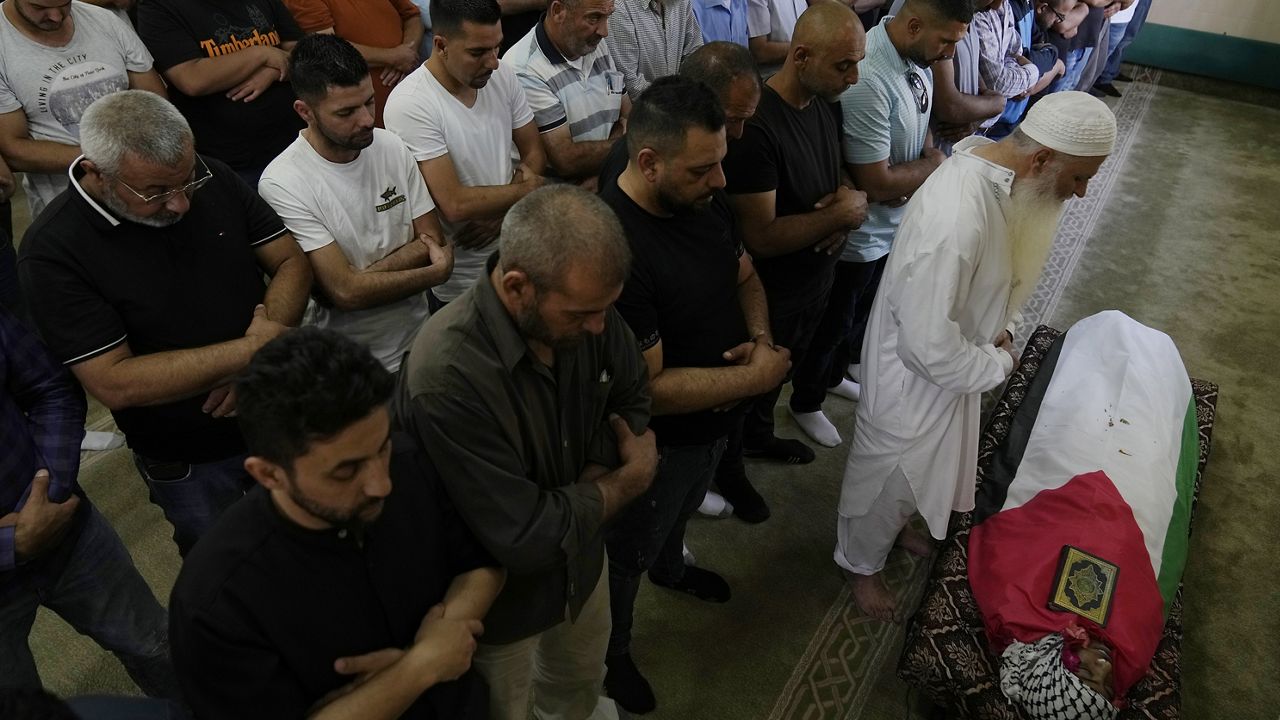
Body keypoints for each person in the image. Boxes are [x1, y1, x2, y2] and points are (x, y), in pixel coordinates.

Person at [834, 91, 1116, 622]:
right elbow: (926, 348)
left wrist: (1000, 330)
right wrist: (1000, 363)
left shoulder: (1000, 170)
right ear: (1041, 159)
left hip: (960, 363)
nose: (1080, 195)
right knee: (889, 477)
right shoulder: (957, 218)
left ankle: (892, 535)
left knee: (923, 472)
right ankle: (858, 563)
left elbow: (1000, 272)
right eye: (1078, 179)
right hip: (916, 377)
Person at [394, 185, 656, 720]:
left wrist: (588, 486)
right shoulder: (447, 376)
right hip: (499, 609)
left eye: (607, 309)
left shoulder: (588, 308)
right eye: (583, 314)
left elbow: (631, 395)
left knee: (579, 685)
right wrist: (623, 484)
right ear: (517, 287)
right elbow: (523, 536)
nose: (600, 328)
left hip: (582, 567)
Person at [18, 90, 311, 556]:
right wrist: (252, 353)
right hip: (190, 456)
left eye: (185, 181)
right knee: (227, 569)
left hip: (276, 411)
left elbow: (290, 261)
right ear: (96, 171)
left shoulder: (208, 174)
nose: (180, 204)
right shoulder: (53, 252)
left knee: (310, 541)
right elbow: (115, 381)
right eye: (154, 193)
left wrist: (256, 357)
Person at [169, 327, 503, 719]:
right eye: (345, 472)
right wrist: (421, 667)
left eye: (382, 447)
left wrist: (447, 635)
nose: (382, 483)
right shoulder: (216, 601)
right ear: (268, 474)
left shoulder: (409, 463)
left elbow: (482, 563)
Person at [597, 76, 790, 714]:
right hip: (658, 444)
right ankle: (612, 650)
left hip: (714, 421)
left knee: (676, 519)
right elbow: (647, 392)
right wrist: (757, 379)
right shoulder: (615, 252)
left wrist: (759, 339)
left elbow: (746, 273)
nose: (720, 183)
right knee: (626, 556)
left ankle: (673, 569)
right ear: (647, 162)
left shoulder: (701, 200)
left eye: (721, 163)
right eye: (703, 169)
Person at [968, 310, 1200, 720]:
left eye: (1085, 673)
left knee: (1080, 413)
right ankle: (1154, 370)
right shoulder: (1135, 650)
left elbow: (1007, 548)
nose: (1104, 664)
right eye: (1104, 684)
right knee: (1146, 440)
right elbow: (1147, 594)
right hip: (1135, 501)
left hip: (1061, 486)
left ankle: (1099, 349)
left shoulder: (1006, 607)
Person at [789, 0, 964, 449]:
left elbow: (923, 120)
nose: (948, 53)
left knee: (864, 313)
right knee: (834, 320)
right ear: (915, 24)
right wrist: (931, 167)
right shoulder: (869, 74)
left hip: (892, 224)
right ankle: (805, 400)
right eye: (945, 41)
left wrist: (924, 162)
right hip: (859, 236)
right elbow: (876, 180)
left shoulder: (917, 55)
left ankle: (832, 375)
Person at [0, 305, 179, 701]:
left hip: (66, 531)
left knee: (157, 647)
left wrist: (50, 489)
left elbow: (48, 388)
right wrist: (12, 542)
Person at [720, 0, 867, 467]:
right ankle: (729, 467)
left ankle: (759, 437)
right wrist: (840, 215)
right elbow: (760, 236)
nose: (854, 78)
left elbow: (835, 181)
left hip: (813, 284)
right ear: (801, 57)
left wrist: (845, 203)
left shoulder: (824, 105)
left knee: (778, 380)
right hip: (773, 293)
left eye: (857, 64)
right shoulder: (757, 128)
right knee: (748, 387)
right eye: (843, 65)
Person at [260, 35, 453, 372]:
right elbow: (346, 293)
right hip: (349, 366)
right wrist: (433, 273)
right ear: (305, 111)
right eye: (346, 112)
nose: (366, 120)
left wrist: (360, 279)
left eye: (369, 102)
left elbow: (431, 240)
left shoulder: (390, 145)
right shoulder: (283, 181)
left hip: (421, 343)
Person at [384, 0, 546, 308]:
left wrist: (500, 214)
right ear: (441, 45)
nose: (493, 62)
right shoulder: (411, 104)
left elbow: (534, 150)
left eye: (497, 47)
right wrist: (529, 190)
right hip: (462, 281)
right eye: (477, 53)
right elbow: (455, 203)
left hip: (519, 249)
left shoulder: (502, 74)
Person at [0, 0, 166, 217]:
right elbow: (14, 151)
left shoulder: (104, 20)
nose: (57, 16)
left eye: (64, 4)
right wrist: (115, 160)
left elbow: (156, 102)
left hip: (144, 191)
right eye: (40, 8)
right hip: (69, 206)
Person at [137, 0, 305, 186]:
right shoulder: (158, 7)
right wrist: (261, 54)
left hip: (298, 142)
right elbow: (192, 78)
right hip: (234, 162)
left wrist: (274, 72)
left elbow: (301, 51)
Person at [504, 0, 631, 183]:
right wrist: (627, 142)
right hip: (563, 201)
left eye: (608, 16)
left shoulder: (593, 44)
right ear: (558, 11)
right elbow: (567, 160)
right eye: (594, 18)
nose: (605, 31)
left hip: (605, 180)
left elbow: (627, 113)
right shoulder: (525, 69)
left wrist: (602, 170)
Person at [280, 0, 424, 126]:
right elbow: (327, 48)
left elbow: (412, 16)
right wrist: (393, 57)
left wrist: (407, 52)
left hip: (415, 96)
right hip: (368, 117)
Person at [890, 0, 1006, 153]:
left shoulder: (968, 13)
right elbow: (949, 106)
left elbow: (977, 80)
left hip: (951, 154)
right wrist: (998, 104)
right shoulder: (932, 10)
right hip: (927, 156)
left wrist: (976, 118)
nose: (997, 6)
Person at [971, 0, 1061, 135]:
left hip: (996, 119)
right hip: (976, 121)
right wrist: (1032, 72)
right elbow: (998, 83)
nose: (998, 5)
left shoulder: (1007, 5)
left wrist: (1019, 72)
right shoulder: (980, 13)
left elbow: (1016, 53)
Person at [606, 0, 703, 100]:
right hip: (642, 110)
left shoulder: (682, 2)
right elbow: (630, 84)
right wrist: (677, 101)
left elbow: (695, 55)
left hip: (679, 104)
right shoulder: (619, 7)